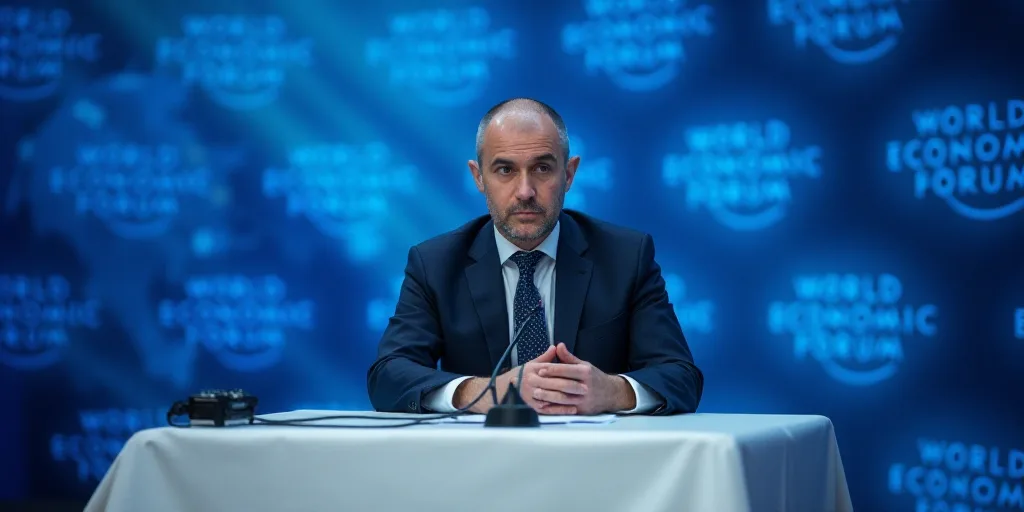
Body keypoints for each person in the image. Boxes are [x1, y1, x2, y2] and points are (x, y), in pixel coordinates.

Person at [366, 98, 703, 416]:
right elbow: (388, 376)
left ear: (569, 174)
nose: (525, 191)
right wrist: (485, 393)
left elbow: (680, 376)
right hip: (476, 463)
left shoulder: (625, 257)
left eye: (542, 168)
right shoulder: (436, 264)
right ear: (478, 177)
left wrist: (612, 391)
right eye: (505, 170)